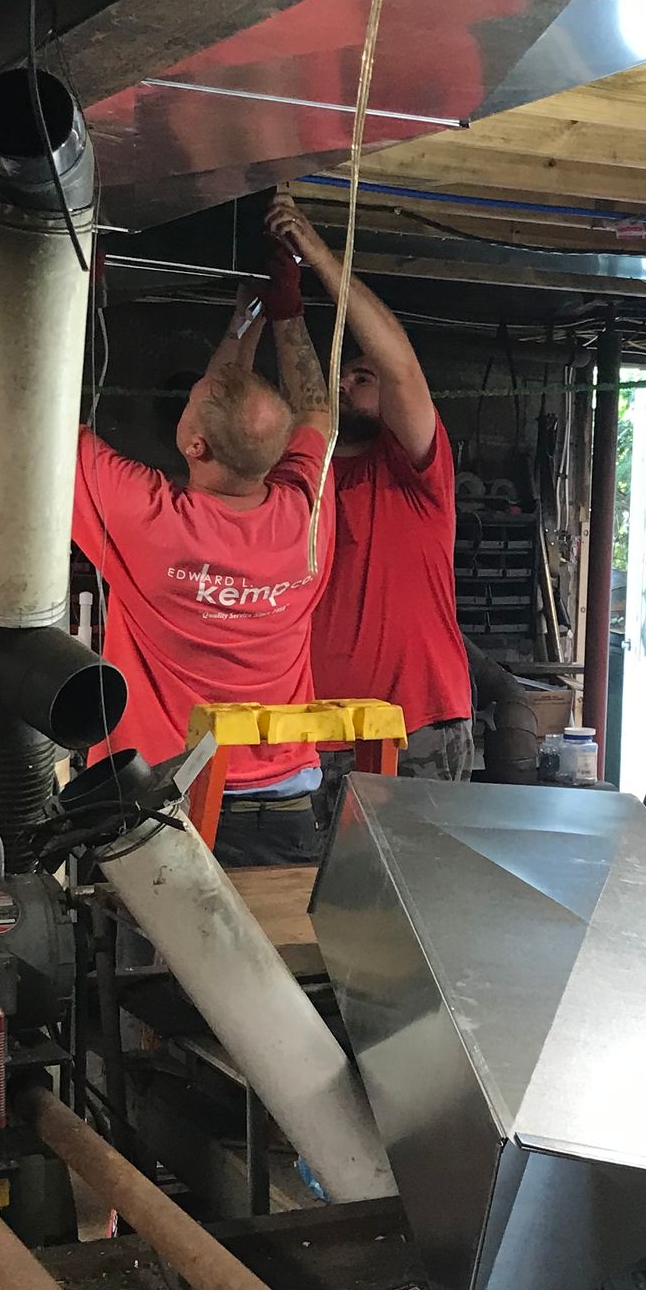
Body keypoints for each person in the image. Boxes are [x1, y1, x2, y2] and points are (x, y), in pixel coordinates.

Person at [71, 268, 334, 866]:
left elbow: (43, 413)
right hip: (286, 810)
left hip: (166, 810)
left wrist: (73, 279)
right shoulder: (307, 513)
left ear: (193, 448)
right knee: (271, 962)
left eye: (190, 405)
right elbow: (316, 410)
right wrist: (272, 310)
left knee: (149, 961)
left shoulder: (149, 519)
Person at [265, 191, 473, 786]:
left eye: (363, 376)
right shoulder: (307, 468)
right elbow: (307, 394)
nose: (347, 382)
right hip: (315, 726)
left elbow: (400, 366)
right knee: (314, 880)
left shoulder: (415, 469)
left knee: (415, 882)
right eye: (343, 374)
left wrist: (315, 255)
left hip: (418, 723)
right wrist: (284, 310)